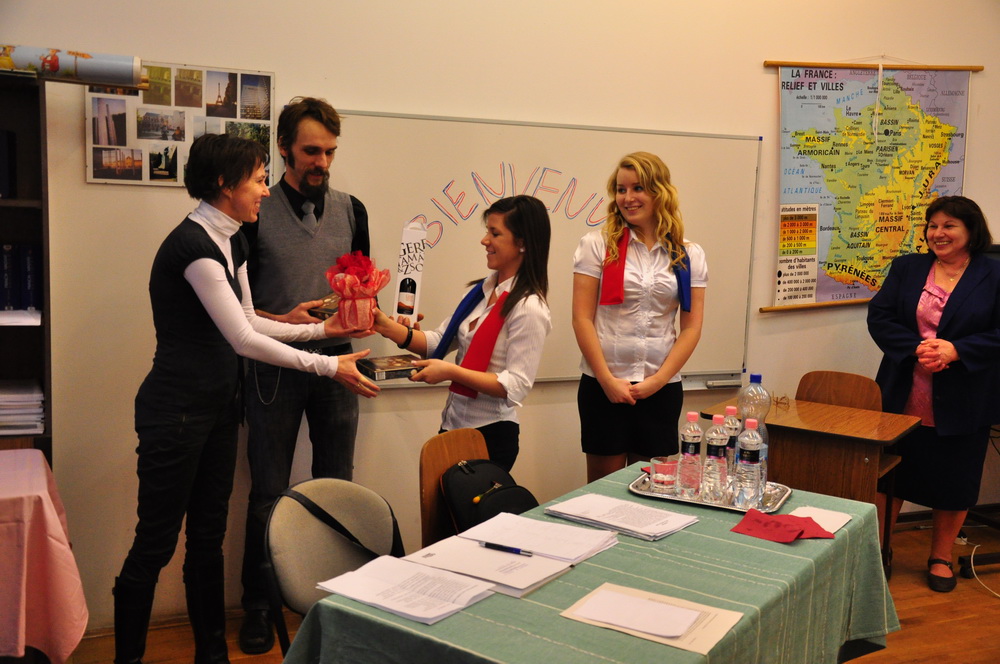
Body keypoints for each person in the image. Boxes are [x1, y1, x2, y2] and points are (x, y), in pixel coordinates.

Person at [112, 134, 379, 664]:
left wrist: (322, 331)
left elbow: (253, 320)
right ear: (223, 183)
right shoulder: (194, 247)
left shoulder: (232, 239)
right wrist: (329, 364)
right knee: (155, 545)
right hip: (175, 414)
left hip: (217, 410)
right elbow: (242, 340)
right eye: (258, 180)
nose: (265, 190)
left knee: (207, 538)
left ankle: (212, 654)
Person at [237, 97, 372, 653]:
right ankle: (259, 605)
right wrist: (284, 320)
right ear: (284, 149)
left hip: (339, 364)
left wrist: (365, 307)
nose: (323, 162)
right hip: (273, 365)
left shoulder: (352, 210)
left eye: (330, 152)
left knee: (338, 483)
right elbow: (238, 309)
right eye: (312, 151)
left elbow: (364, 286)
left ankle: (337, 600)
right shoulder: (254, 211)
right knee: (269, 490)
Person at [868, 195, 1000, 593]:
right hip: (904, 389)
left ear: (971, 230)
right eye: (932, 226)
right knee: (891, 474)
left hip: (965, 394)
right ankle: (879, 551)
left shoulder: (993, 274)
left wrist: (956, 350)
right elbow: (880, 316)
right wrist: (917, 349)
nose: (938, 233)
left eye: (948, 226)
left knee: (955, 478)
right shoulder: (907, 267)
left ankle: (941, 557)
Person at [372, 195, 552, 471]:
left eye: (495, 234)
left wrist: (450, 372)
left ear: (522, 243)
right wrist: (385, 326)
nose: (484, 240)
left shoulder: (528, 307)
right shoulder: (481, 292)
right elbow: (438, 343)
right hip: (453, 426)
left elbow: (516, 385)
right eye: (487, 231)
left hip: (490, 434)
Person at [572, 151, 707, 483]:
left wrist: (657, 382)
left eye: (637, 188)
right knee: (603, 494)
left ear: (660, 192)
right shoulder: (597, 245)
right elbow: (581, 318)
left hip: (660, 390)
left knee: (650, 492)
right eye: (621, 189)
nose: (627, 198)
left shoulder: (688, 254)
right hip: (604, 387)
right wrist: (606, 380)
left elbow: (691, 327)